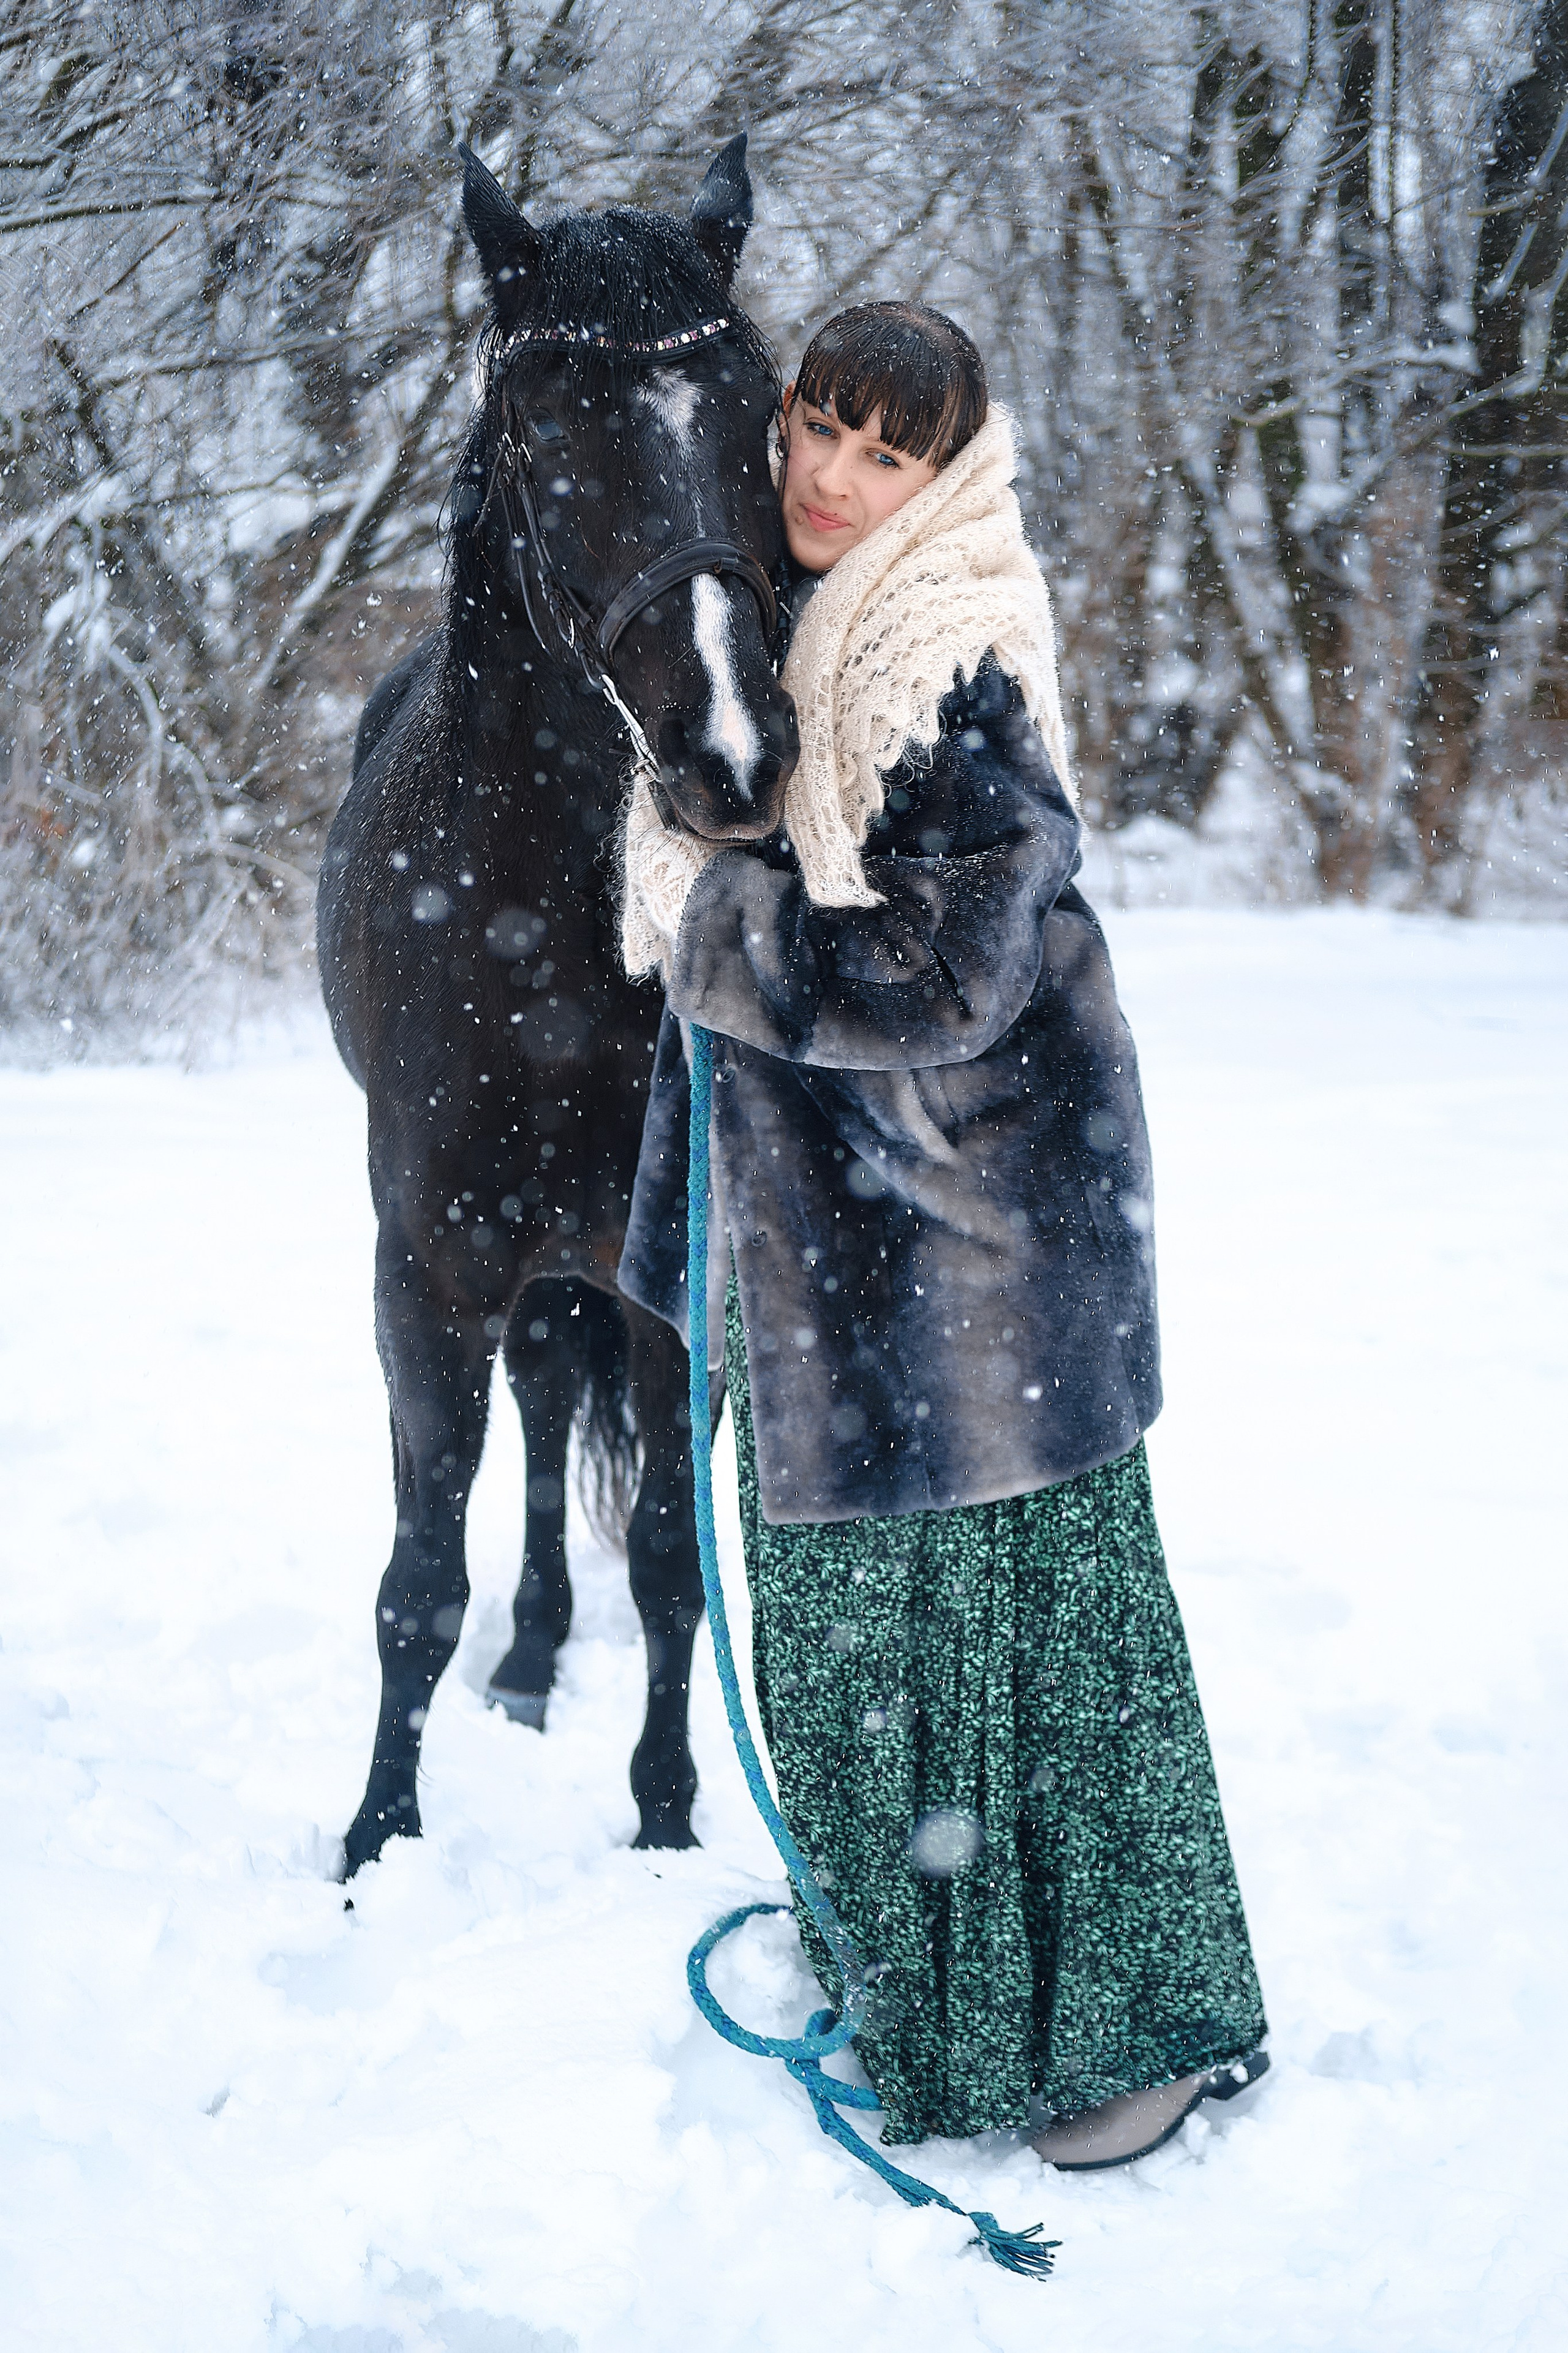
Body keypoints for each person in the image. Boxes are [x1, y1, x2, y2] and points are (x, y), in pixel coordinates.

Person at [619, 301, 1267, 2169]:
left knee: (1027, 1662)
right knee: (855, 1671)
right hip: (834, 1256)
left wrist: (716, 917)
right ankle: (928, 1997)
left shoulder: (948, 643)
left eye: (883, 453)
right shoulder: (773, 614)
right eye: (818, 427)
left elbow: (948, 970)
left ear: (946, 479)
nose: (831, 474)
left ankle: (1115, 2028)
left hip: (973, 1258)